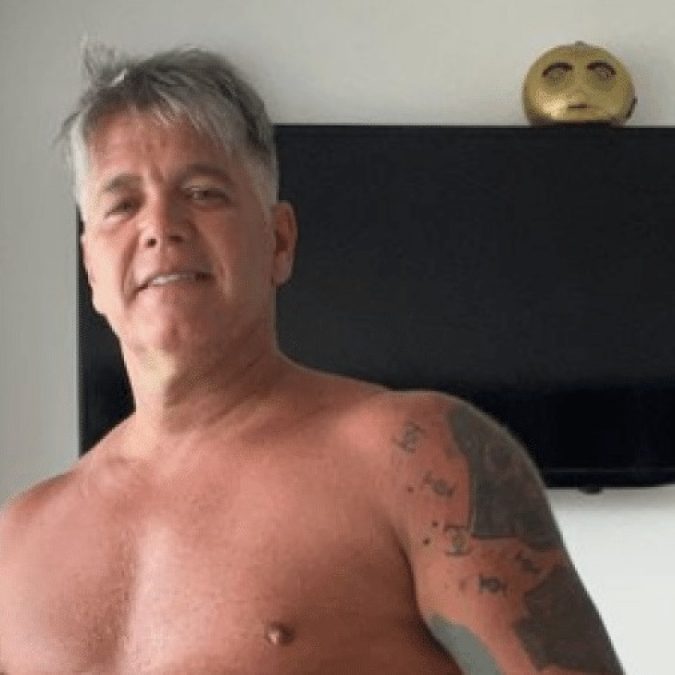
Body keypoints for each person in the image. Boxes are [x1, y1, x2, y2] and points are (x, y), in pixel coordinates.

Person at [0, 46, 623, 674]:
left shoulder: (421, 459)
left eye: (203, 192)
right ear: (92, 269)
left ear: (279, 241)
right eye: (122, 205)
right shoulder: (17, 542)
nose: (161, 226)